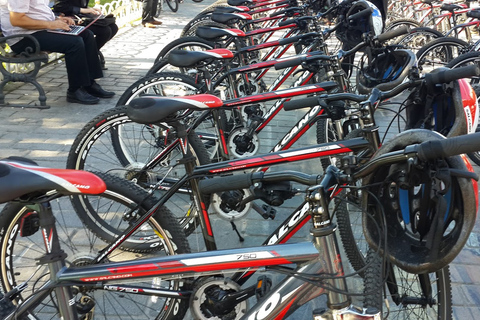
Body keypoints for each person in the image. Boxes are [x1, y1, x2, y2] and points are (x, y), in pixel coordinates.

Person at [0, 0, 115, 105]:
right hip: (23, 38)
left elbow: (37, 11)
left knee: (86, 35)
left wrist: (56, 20)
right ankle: (75, 90)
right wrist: (51, 24)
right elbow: (17, 19)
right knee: (74, 43)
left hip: (38, 31)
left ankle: (90, 84)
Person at [53, 0, 119, 68]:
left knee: (113, 27)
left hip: (82, 18)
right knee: (105, 31)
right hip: (69, 21)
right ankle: (89, 57)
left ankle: (88, 55)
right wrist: (83, 10)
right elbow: (59, 6)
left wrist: (89, 9)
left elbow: (80, 4)